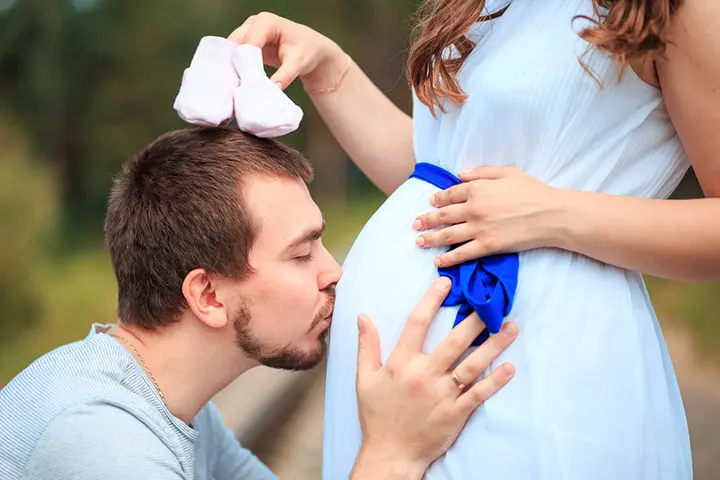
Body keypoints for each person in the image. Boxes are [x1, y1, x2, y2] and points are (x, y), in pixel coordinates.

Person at [229, 1, 720, 478]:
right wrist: (327, 67)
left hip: (534, 363)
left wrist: (554, 214)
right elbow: (440, 176)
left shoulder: (676, 8)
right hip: (404, 401)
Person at [0, 128, 519, 480]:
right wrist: (392, 453)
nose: (332, 272)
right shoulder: (98, 437)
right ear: (207, 295)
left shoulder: (179, 411)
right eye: (301, 253)